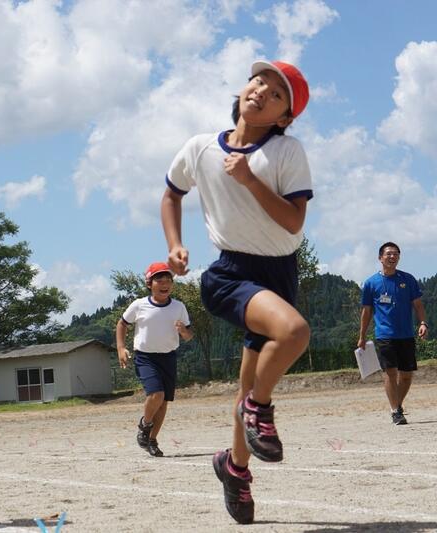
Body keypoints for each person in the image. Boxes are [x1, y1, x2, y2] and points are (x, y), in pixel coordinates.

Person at [160, 60, 312, 524]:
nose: (262, 91)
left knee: (250, 380)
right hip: (231, 274)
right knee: (294, 332)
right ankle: (257, 407)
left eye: (277, 93)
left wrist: (249, 178)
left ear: (285, 116)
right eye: (259, 81)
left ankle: (235, 469)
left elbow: (293, 221)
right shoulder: (201, 147)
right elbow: (172, 193)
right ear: (245, 88)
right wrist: (175, 244)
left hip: (279, 275)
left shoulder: (287, 151)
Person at [116, 262, 193, 457]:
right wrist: (121, 348)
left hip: (168, 357)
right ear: (149, 284)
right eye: (160, 280)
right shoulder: (139, 305)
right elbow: (122, 324)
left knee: (164, 402)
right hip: (145, 357)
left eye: (168, 280)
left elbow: (188, 335)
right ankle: (145, 425)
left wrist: (183, 331)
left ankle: (151, 440)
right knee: (156, 395)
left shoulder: (178, 307)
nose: (165, 284)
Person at [358, 242, 428, 425]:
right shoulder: (371, 283)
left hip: (406, 334)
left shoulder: (408, 279)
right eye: (389, 253)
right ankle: (395, 411)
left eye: (396, 253)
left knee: (406, 375)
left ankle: (398, 405)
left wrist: (423, 323)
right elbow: (366, 311)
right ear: (380, 258)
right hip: (384, 335)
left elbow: (418, 304)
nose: (392, 256)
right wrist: (362, 336)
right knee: (390, 372)